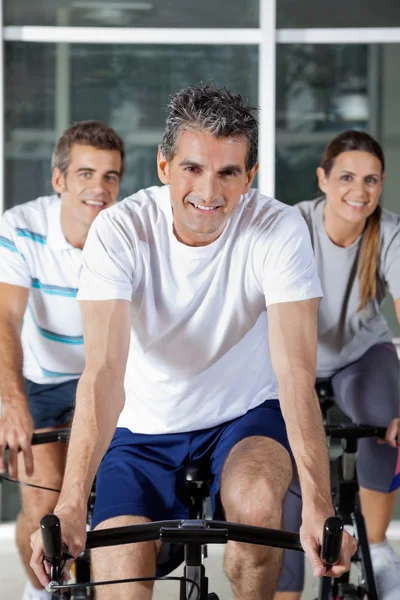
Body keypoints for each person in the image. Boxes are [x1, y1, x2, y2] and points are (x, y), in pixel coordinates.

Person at [30, 84, 355, 600]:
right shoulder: (119, 231)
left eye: (228, 172)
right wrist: (70, 503)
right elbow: (104, 372)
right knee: (120, 571)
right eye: (193, 168)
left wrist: (319, 501)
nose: (209, 191)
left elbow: (295, 369)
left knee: (256, 505)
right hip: (142, 424)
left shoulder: (279, 229)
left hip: (244, 414)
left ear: (249, 176)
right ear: (164, 167)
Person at [0, 120, 124, 600]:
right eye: (86, 174)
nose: (99, 188)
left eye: (111, 176)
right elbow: (7, 319)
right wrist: (11, 402)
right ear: (59, 180)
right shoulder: (20, 227)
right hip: (43, 382)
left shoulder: (124, 231)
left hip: (111, 381)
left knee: (117, 508)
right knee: (41, 508)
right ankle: (43, 591)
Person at [276, 130, 400, 600]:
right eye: (346, 177)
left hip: (358, 355)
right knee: (284, 453)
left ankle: (379, 548)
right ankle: (286, 587)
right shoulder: (293, 225)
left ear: (382, 184)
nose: (359, 191)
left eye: (371, 180)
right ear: (323, 179)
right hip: (293, 354)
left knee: (385, 417)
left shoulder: (389, 232)